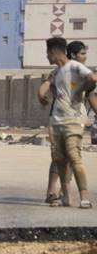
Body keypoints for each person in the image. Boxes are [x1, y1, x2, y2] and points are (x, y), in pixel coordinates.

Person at [38, 36, 97, 208]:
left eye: (85, 53)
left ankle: (83, 196)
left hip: (74, 120)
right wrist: (40, 94)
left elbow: (92, 90)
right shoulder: (56, 72)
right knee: (59, 159)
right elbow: (46, 84)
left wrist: (79, 90)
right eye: (82, 53)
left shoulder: (78, 69)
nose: (85, 56)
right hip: (56, 120)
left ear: (52, 52)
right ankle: (60, 195)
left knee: (73, 156)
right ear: (72, 53)